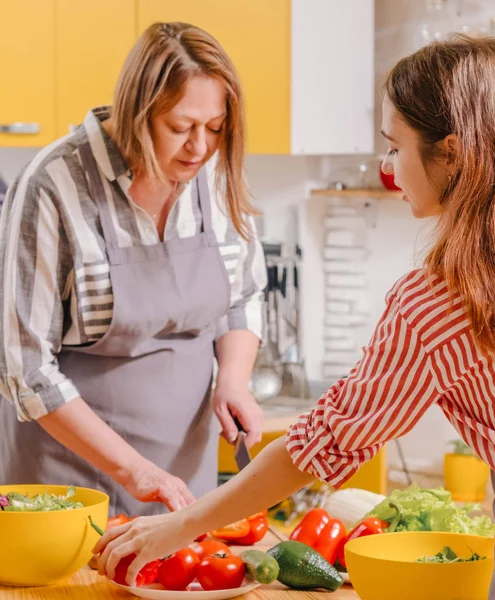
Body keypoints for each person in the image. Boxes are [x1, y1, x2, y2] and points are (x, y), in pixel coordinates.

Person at [96, 35, 495, 598]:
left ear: (452, 151)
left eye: (395, 146)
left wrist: (180, 526)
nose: (389, 167)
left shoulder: (442, 301)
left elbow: (321, 441)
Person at [0, 22, 267, 517]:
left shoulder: (214, 172)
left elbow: (243, 296)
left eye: (214, 127)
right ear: (136, 113)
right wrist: (134, 470)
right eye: (180, 127)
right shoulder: (52, 185)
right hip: (65, 483)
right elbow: (26, 368)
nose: (199, 147)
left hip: (184, 476)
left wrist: (233, 379)